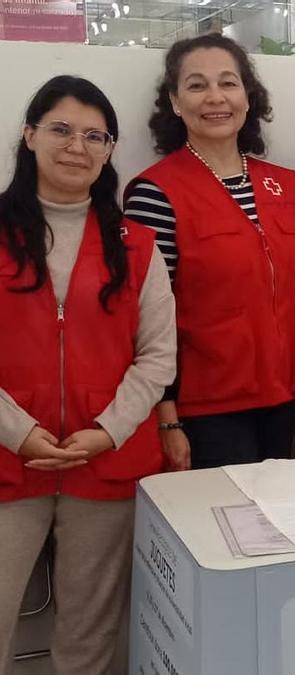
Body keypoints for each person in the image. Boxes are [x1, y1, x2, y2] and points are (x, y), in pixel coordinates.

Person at [0, 76, 175, 674]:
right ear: (29, 136)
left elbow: (158, 357)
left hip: (106, 463)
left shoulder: (137, 245)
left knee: (89, 640)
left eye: (95, 135)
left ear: (108, 150)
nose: (77, 146)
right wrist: (16, 430)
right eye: (61, 129)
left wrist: (107, 430)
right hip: (6, 460)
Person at [124, 34, 295, 470]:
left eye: (228, 83)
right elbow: (146, 319)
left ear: (247, 97)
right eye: (196, 86)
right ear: (175, 102)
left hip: (288, 400)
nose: (215, 97)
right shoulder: (155, 193)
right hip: (206, 412)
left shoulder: (285, 184)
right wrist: (166, 417)